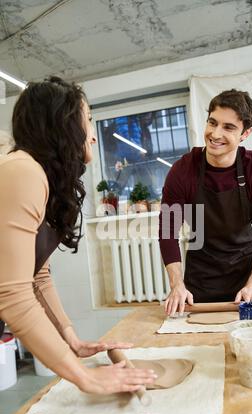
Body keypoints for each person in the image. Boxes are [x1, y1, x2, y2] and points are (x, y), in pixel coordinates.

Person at [0, 77, 156, 395]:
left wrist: (69, 337)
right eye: (88, 121)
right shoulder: (22, 171)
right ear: (64, 125)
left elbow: (37, 274)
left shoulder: (43, 177)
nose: (94, 136)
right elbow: (13, 294)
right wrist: (84, 377)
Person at [159, 89, 252, 316]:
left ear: (246, 133)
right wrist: (177, 285)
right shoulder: (182, 171)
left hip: (247, 276)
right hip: (201, 277)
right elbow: (167, 232)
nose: (215, 134)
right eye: (212, 122)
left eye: (228, 127)